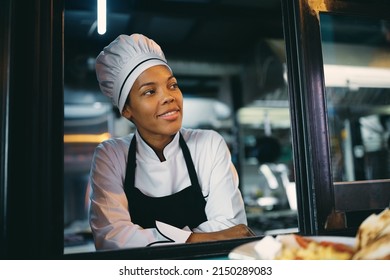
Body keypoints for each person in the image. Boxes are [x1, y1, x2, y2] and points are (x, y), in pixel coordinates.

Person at [89, 33, 254, 250]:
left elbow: (231, 225)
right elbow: (113, 238)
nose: (169, 97)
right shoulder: (112, 155)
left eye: (172, 85)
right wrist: (200, 238)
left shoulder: (208, 144)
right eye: (149, 91)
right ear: (127, 110)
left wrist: (146, 239)